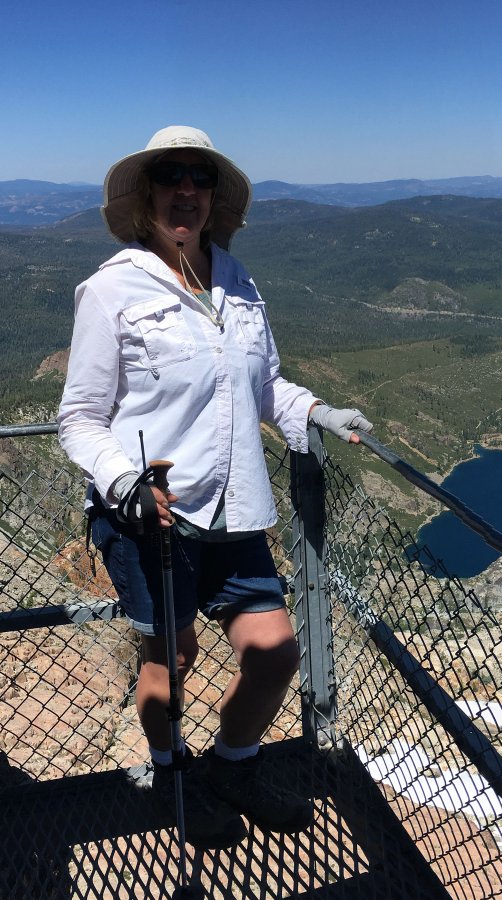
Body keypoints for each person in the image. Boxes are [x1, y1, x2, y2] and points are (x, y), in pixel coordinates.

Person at [57, 125, 372, 848]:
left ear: (213, 196)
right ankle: (174, 778)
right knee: (172, 660)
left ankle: (232, 765)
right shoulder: (111, 290)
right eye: (171, 175)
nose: (186, 189)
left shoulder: (237, 280)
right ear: (146, 194)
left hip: (235, 508)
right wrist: (126, 483)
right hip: (153, 515)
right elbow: (79, 419)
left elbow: (263, 386)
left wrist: (316, 412)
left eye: (199, 177)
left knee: (276, 651)